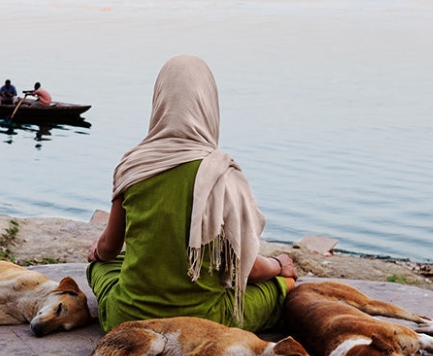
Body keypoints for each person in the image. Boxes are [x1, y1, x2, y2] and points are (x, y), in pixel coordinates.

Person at [87, 55, 297, 334]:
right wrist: (279, 264)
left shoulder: (133, 165)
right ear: (209, 104)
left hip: (127, 319)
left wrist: (98, 252)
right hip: (204, 323)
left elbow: (109, 249)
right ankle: (286, 284)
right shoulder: (223, 174)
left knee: (99, 267)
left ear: (159, 101)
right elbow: (251, 271)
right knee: (281, 287)